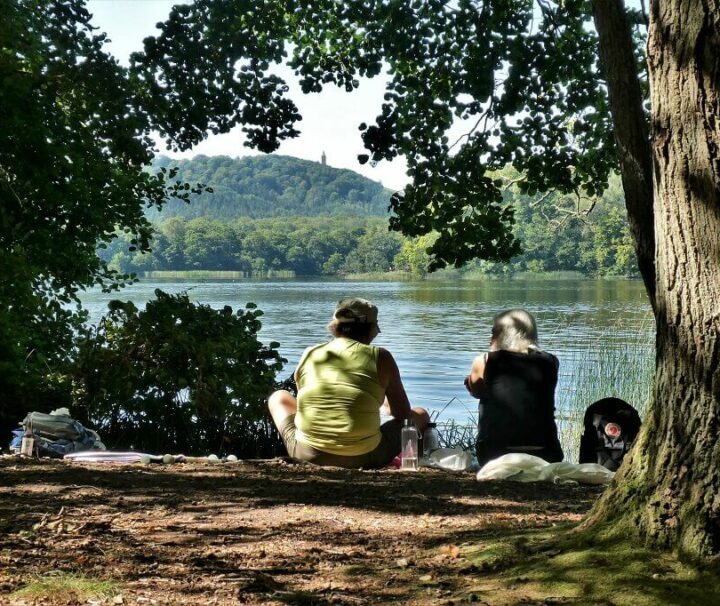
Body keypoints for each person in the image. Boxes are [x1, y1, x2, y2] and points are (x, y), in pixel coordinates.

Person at [268, 297, 429, 469]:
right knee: (420, 414)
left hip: (307, 454)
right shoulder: (381, 357)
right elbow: (403, 413)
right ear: (371, 329)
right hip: (366, 457)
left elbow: (303, 404)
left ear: (335, 326)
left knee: (279, 397)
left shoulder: (311, 353)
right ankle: (414, 463)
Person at [464, 308, 564, 466]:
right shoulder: (551, 362)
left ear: (503, 334)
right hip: (547, 453)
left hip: (495, 454)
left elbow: (478, 392)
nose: (490, 337)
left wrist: (470, 386)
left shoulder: (484, 360)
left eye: (493, 332)